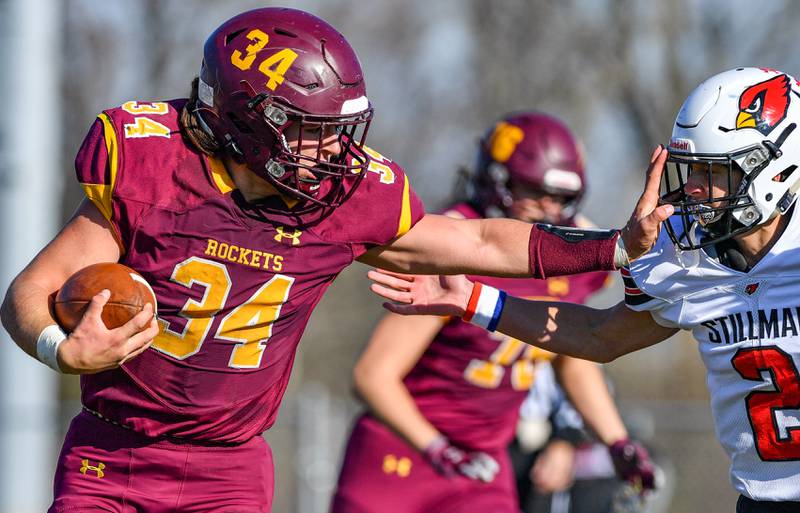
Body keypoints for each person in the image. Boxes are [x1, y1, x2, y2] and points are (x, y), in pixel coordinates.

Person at [0, 8, 667, 513]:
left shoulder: (345, 201)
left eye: (339, 133)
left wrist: (613, 244)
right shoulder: (151, 162)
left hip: (230, 466)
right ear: (248, 118)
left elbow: (482, 244)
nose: (335, 153)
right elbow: (29, 293)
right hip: (113, 448)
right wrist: (63, 348)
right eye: (312, 132)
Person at [367, 67, 800, 513]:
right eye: (689, 170)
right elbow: (599, 337)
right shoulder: (685, 252)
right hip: (760, 499)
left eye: (715, 172)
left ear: (778, 169)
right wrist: (474, 300)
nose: (692, 189)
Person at [331, 113, 655, 513]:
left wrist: (616, 439)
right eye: (533, 191)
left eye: (560, 198)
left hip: (482, 461)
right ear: (497, 180)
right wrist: (438, 448)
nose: (548, 208)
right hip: (399, 455)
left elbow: (567, 353)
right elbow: (373, 375)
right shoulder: (455, 245)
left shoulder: (570, 259)